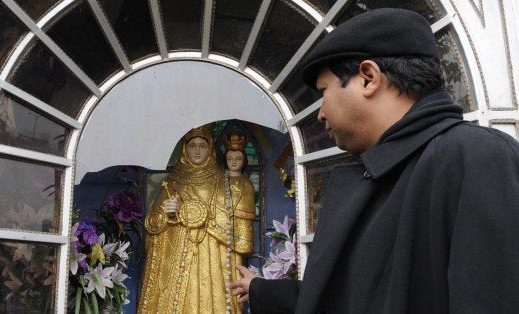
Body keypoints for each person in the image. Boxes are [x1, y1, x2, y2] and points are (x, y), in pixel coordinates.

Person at [228, 8, 519, 313]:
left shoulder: (479, 160)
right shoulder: (384, 175)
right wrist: (262, 289)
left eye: (324, 92)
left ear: (368, 78)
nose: (321, 113)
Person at [139, 124, 255, 313]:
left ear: (210, 149)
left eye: (202, 146)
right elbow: (153, 225)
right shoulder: (172, 181)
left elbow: (234, 225)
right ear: (185, 149)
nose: (197, 151)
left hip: (211, 257)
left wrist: (200, 218)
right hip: (177, 258)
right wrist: (166, 214)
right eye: (192, 146)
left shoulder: (222, 180)